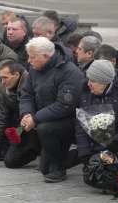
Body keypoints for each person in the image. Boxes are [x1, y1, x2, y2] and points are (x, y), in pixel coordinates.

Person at [19, 37, 84, 182]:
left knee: (45, 128)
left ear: (46, 56)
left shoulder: (69, 72)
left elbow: (64, 105)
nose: (29, 61)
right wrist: (27, 113)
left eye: (32, 57)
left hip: (71, 119)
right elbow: (26, 94)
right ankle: (60, 160)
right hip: (46, 117)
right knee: (44, 169)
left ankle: (61, 166)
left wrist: (35, 118)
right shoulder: (35, 68)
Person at [75, 60, 118, 168]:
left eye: (93, 81)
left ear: (104, 82)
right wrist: (84, 150)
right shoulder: (85, 93)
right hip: (96, 142)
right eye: (88, 79)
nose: (88, 84)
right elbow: (80, 124)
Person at [0, 62, 39, 168]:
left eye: (5, 78)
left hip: (37, 124)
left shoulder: (32, 84)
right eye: (1, 78)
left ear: (16, 75)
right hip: (22, 126)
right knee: (10, 162)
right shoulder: (5, 91)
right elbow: (1, 121)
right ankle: (33, 150)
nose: (3, 82)